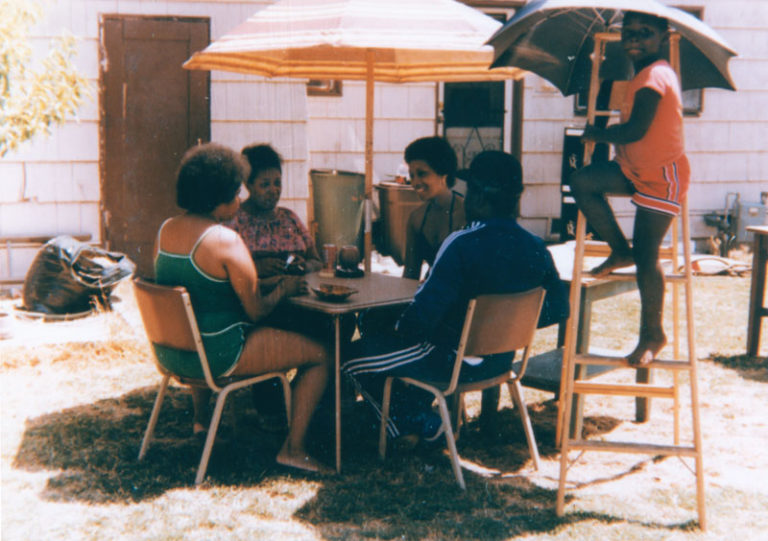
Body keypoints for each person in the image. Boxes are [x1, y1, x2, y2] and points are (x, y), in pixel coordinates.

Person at [342, 150, 569, 443]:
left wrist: (397, 329)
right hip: (501, 362)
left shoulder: (462, 244)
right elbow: (559, 309)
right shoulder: (536, 246)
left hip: (450, 359)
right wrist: (504, 329)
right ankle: (410, 415)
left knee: (348, 358)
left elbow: (420, 319)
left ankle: (421, 423)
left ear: (476, 195)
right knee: (384, 341)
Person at [153, 142, 331, 473]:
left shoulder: (166, 230)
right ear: (215, 196)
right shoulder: (224, 240)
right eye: (236, 192)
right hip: (221, 353)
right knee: (321, 354)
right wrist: (285, 288)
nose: (239, 200)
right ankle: (293, 448)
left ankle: (204, 420)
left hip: (175, 353)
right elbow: (258, 312)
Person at [570, 10, 689, 366]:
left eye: (644, 33)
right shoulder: (641, 75)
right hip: (633, 168)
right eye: (629, 34)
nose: (634, 39)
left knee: (647, 257)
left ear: (663, 38)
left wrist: (598, 134)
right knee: (583, 181)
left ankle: (653, 333)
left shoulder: (656, 76)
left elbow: (636, 130)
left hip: (661, 178)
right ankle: (619, 248)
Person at [228, 143, 325, 432]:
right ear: (247, 185)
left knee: (337, 327)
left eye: (278, 183)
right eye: (264, 184)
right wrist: (256, 268)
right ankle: (270, 408)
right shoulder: (236, 222)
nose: (273, 190)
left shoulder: (289, 218)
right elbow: (230, 272)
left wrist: (302, 266)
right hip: (261, 308)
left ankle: (316, 398)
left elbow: (316, 260)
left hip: (302, 300)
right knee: (275, 330)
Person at [402, 136, 466, 280]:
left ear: (443, 173)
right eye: (412, 176)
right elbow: (410, 274)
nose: (415, 182)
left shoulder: (468, 214)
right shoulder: (416, 218)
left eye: (422, 174)